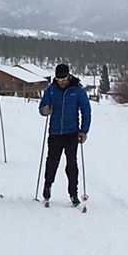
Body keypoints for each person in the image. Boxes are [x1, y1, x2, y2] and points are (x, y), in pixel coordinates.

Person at [39, 64, 91, 206]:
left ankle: (73, 193)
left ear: (69, 76)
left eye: (64, 79)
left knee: (72, 164)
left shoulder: (77, 90)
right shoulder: (51, 90)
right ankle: (47, 186)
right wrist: (45, 110)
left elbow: (86, 110)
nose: (61, 82)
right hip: (55, 132)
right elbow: (42, 108)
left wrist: (83, 130)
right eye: (59, 79)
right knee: (52, 162)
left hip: (72, 133)